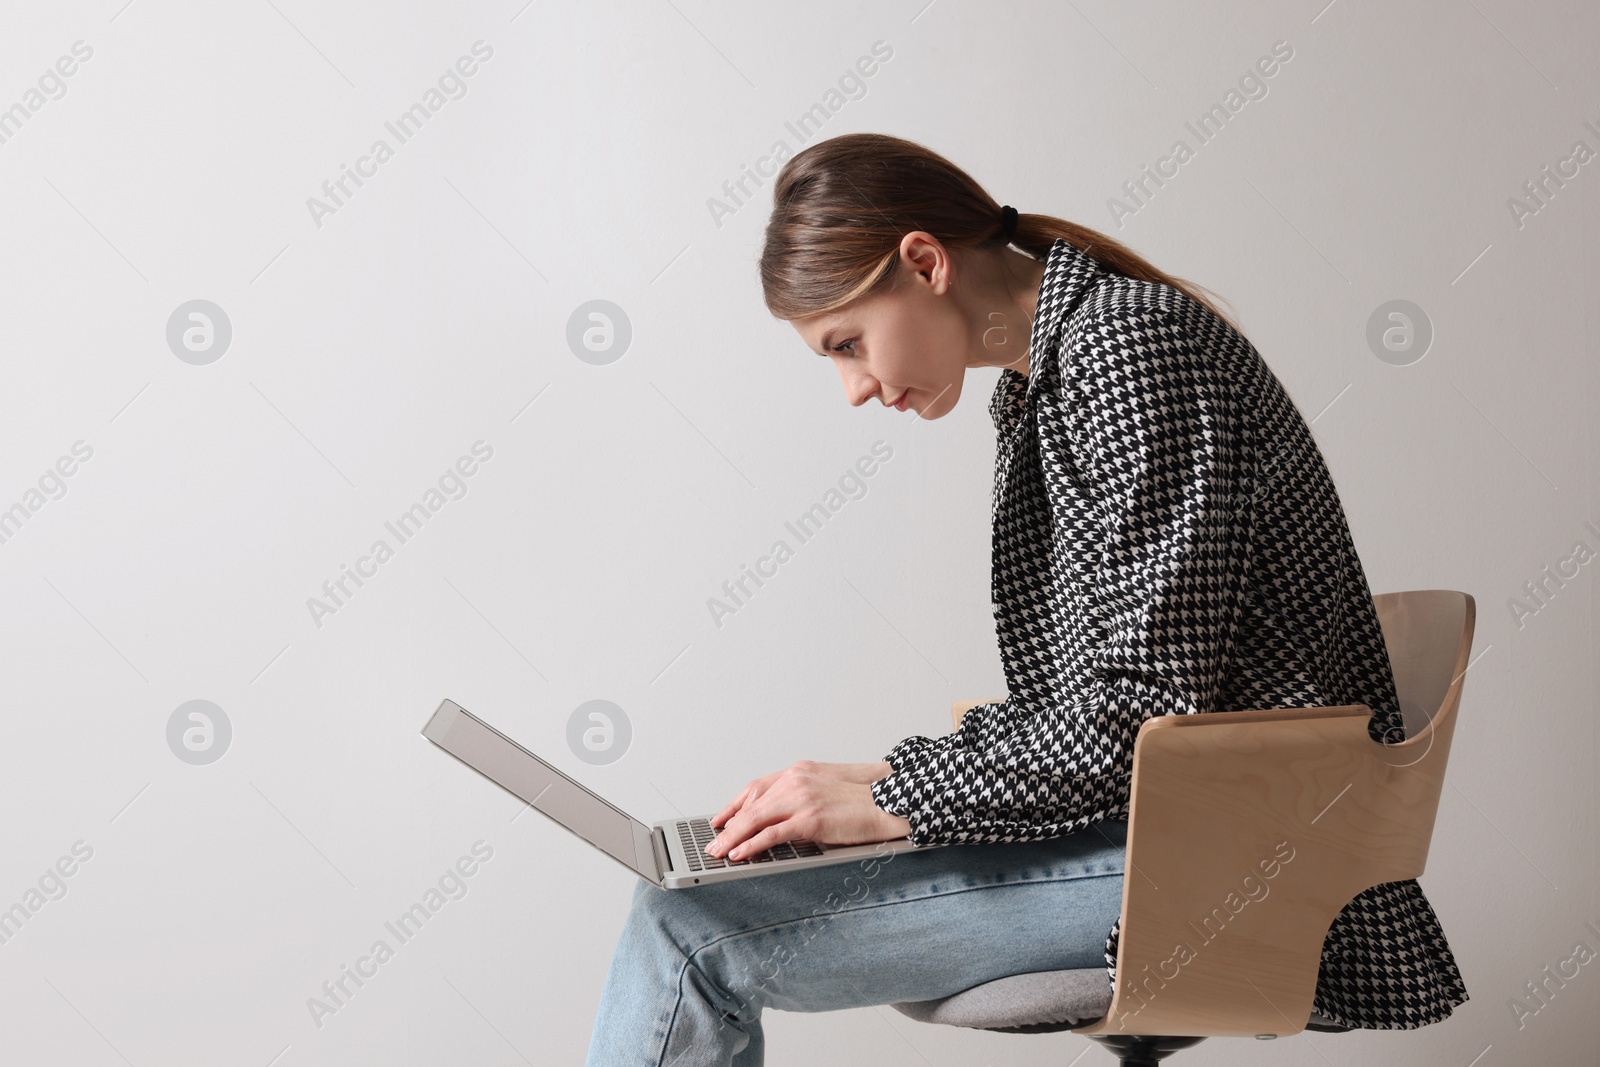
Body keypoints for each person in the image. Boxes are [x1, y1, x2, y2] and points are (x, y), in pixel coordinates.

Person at [584, 132, 1467, 1067]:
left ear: (924, 262)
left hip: (1223, 859)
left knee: (686, 929)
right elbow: (1097, 714)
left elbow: (1134, 723)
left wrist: (898, 794)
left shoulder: (1129, 351)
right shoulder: (1050, 377)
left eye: (847, 343)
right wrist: (870, 781)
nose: (851, 388)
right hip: (1175, 830)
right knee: (683, 902)